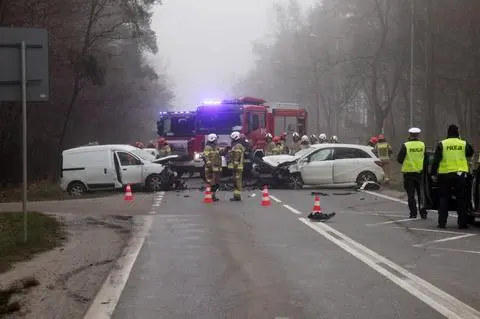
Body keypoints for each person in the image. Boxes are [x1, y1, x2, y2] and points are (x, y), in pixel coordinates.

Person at [431, 124, 474, 229]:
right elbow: (470, 153)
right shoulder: (463, 143)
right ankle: (462, 223)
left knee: (444, 198)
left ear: (448, 133)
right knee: (461, 199)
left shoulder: (442, 144)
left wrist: (433, 174)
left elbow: (435, 161)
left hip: (445, 175)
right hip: (460, 175)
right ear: (458, 133)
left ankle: (442, 223)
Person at [397, 128, 427, 219]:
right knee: (421, 194)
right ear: (418, 135)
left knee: (411, 194)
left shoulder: (406, 145)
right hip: (420, 173)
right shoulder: (422, 145)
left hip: (408, 173)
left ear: (410, 135)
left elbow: (399, 159)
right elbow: (425, 159)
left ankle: (413, 213)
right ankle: (423, 213)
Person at [203, 133, 222, 201]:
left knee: (215, 183)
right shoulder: (208, 147)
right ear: (213, 139)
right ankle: (210, 196)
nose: (217, 140)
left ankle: (213, 196)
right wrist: (209, 166)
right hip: (210, 169)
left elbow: (219, 154)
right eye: (216, 139)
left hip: (216, 168)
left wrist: (225, 150)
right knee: (211, 183)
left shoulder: (215, 147)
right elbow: (206, 157)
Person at [228, 131, 245, 201]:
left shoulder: (237, 146)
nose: (231, 139)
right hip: (236, 167)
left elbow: (237, 156)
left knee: (237, 182)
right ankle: (236, 196)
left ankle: (237, 197)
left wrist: (235, 165)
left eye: (232, 138)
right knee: (235, 181)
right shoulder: (236, 145)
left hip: (237, 167)